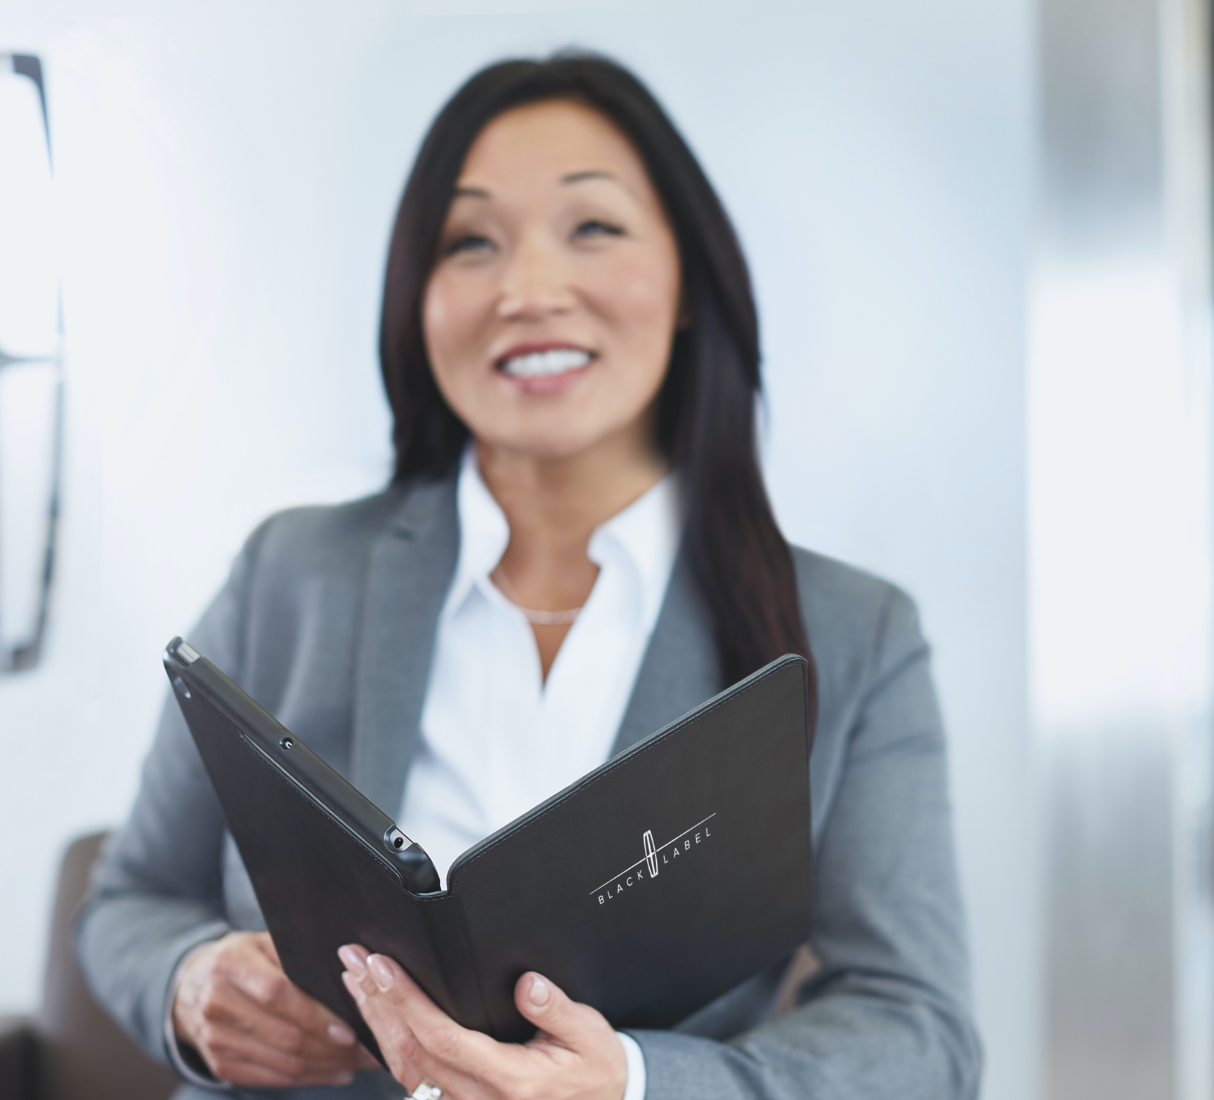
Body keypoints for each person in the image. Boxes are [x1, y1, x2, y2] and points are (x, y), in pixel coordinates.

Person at [78, 52, 981, 1100]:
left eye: (590, 227)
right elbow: (128, 899)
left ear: (689, 277)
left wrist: (637, 1083)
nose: (528, 290)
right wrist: (191, 987)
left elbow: (918, 1027)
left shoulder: (852, 633)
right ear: (418, 300)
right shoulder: (291, 572)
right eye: (470, 243)